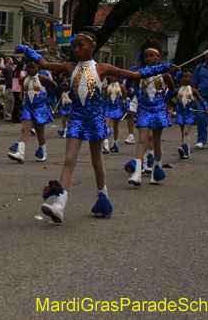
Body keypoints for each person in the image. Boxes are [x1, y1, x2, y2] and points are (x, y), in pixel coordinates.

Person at [16, 30, 177, 223]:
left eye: (80, 46)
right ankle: (59, 204)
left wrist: (164, 68)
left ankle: (103, 197)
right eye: (74, 46)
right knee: (69, 160)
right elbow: (43, 64)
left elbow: (135, 74)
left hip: (94, 120)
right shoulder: (70, 66)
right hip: (76, 119)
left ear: (92, 47)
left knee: (96, 162)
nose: (76, 50)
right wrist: (27, 50)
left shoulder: (103, 68)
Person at [125, 40, 177, 187]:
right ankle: (136, 172)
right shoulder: (140, 74)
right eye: (146, 56)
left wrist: (163, 102)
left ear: (158, 57)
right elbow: (135, 88)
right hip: (145, 110)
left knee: (156, 141)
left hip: (159, 111)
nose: (148, 58)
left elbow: (173, 91)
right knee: (142, 139)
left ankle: (157, 170)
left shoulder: (164, 75)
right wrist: (142, 101)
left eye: (152, 55)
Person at [7, 59, 57, 164]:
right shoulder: (24, 78)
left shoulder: (42, 78)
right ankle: (20, 153)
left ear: (38, 69)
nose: (30, 70)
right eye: (28, 67)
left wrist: (50, 99)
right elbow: (24, 89)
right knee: (25, 129)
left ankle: (43, 152)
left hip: (40, 107)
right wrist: (22, 93)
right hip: (29, 107)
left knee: (40, 132)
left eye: (33, 68)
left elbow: (55, 85)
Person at [174, 69, 208, 159]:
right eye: (182, 77)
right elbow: (169, 99)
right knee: (183, 132)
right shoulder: (177, 90)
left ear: (191, 79)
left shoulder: (193, 91)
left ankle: (184, 146)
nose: (184, 79)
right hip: (181, 113)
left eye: (187, 77)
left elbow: (201, 100)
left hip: (189, 113)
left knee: (186, 131)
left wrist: (206, 108)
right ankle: (186, 150)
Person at [103, 75, 126, 153]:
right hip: (109, 108)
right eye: (111, 76)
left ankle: (115, 143)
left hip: (117, 108)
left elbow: (125, 97)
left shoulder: (121, 86)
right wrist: (103, 107)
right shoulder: (107, 87)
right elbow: (105, 98)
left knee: (116, 127)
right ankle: (105, 146)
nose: (112, 77)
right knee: (106, 126)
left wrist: (125, 104)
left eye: (114, 76)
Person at [1, 57, 15, 122]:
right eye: (11, 60)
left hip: (15, 88)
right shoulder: (6, 67)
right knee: (9, 101)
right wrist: (2, 60)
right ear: (9, 61)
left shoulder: (12, 67)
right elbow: (1, 66)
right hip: (9, 87)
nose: (13, 61)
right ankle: (7, 116)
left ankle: (12, 115)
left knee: (13, 102)